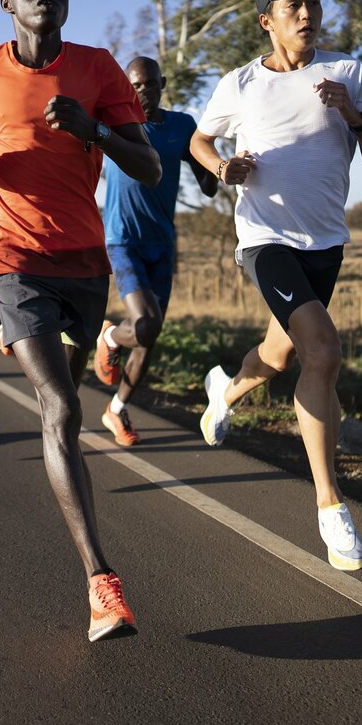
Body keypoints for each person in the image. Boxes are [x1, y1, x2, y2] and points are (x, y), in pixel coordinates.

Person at [0, 0, 160, 641]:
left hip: (84, 263)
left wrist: (94, 129)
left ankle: (94, 348)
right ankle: (102, 581)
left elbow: (148, 165)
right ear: (8, 3)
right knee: (59, 406)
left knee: (67, 392)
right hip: (12, 260)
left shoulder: (98, 70)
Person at [189, 0, 362, 571]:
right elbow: (199, 142)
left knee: (279, 357)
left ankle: (223, 393)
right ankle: (332, 510)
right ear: (267, 21)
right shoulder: (241, 84)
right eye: (293, 5)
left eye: (313, 4)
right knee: (322, 352)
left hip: (325, 243)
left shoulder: (350, 73)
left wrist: (353, 115)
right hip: (265, 239)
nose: (307, 14)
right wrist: (223, 168)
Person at [92, 56, 217, 445]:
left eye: (149, 84)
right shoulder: (112, 125)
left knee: (152, 336)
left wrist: (222, 167)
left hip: (162, 243)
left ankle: (116, 409)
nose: (142, 91)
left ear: (162, 83)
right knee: (144, 324)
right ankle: (111, 338)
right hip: (122, 240)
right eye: (135, 85)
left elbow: (208, 182)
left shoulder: (181, 127)